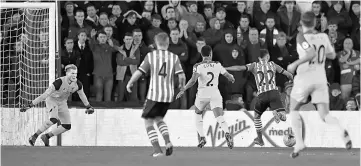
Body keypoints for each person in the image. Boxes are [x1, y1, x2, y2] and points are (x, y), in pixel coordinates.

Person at [286, 11, 352, 158]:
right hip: (321, 78)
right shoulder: (323, 36)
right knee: (324, 114)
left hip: (305, 76)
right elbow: (332, 55)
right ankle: (341, 130)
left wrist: (294, 64)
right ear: (315, 22)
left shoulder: (301, 36)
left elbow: (310, 54)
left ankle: (299, 143)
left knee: (293, 109)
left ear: (302, 23)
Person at [126, 32, 186, 157]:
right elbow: (181, 75)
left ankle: (157, 150)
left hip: (154, 95)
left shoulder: (151, 56)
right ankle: (168, 142)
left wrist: (130, 82)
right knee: (158, 119)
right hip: (168, 95)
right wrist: (181, 86)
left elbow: (140, 71)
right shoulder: (174, 57)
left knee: (148, 122)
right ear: (168, 43)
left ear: (156, 43)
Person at [225, 49, 293, 146]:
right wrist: (291, 81)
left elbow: (239, 68)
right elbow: (289, 74)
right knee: (284, 118)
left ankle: (260, 139)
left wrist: (225, 68)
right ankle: (278, 113)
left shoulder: (254, 65)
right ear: (268, 56)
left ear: (259, 58)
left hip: (262, 95)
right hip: (274, 93)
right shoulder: (273, 65)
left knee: (257, 117)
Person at [175, 45, 235, 149]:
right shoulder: (217, 64)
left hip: (202, 95)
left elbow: (193, 80)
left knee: (198, 115)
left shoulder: (198, 66)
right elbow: (227, 75)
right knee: (219, 117)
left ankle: (202, 137)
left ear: (201, 55)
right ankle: (227, 132)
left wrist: (183, 89)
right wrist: (231, 78)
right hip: (215, 94)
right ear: (211, 54)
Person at [20, 64, 94, 146]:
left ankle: (46, 136)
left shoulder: (78, 84)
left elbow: (82, 95)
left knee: (67, 126)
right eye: (72, 73)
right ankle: (34, 136)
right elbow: (45, 95)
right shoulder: (59, 82)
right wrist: (31, 105)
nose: (74, 76)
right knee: (53, 119)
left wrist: (88, 106)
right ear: (66, 73)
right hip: (52, 100)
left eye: (76, 73)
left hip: (62, 102)